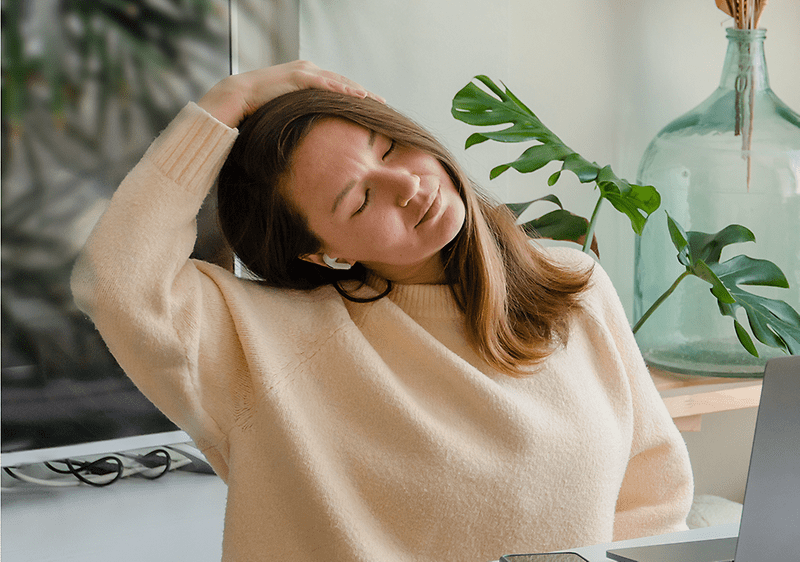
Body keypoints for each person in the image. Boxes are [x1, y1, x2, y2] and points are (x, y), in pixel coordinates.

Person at [71, 61, 693, 562]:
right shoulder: (271, 344)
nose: (407, 185)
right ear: (323, 253)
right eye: (361, 198)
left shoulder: (574, 285)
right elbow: (118, 282)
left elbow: (652, 493)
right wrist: (230, 99)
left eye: (390, 147)